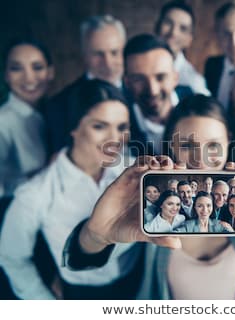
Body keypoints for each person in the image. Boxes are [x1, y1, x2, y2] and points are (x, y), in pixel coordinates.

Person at [62, 94, 235, 299]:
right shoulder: (152, 205)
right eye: (187, 145)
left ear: (229, 145)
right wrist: (95, 236)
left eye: (213, 145)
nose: (201, 158)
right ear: (171, 147)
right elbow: (81, 261)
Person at [0, 79, 142, 299]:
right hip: (81, 296)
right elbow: (12, 258)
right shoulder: (36, 193)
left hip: (139, 286)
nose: (114, 139)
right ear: (74, 128)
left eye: (122, 127)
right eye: (99, 126)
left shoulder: (137, 170)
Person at [45, 15, 127, 154]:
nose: (107, 63)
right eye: (98, 54)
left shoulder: (142, 93)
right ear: (84, 55)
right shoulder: (60, 105)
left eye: (114, 52)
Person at [0, 38, 54, 216]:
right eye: (16, 68)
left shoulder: (54, 112)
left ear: (50, 72)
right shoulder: (4, 121)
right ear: (6, 75)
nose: (29, 77)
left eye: (37, 67)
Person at [123, 34, 193, 156]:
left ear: (175, 78)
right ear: (127, 83)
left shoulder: (197, 105)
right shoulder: (119, 123)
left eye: (160, 77)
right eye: (139, 79)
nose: (152, 90)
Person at [155, 0, 210, 95]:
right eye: (168, 23)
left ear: (189, 39)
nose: (173, 33)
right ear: (157, 27)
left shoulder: (194, 83)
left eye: (183, 28)